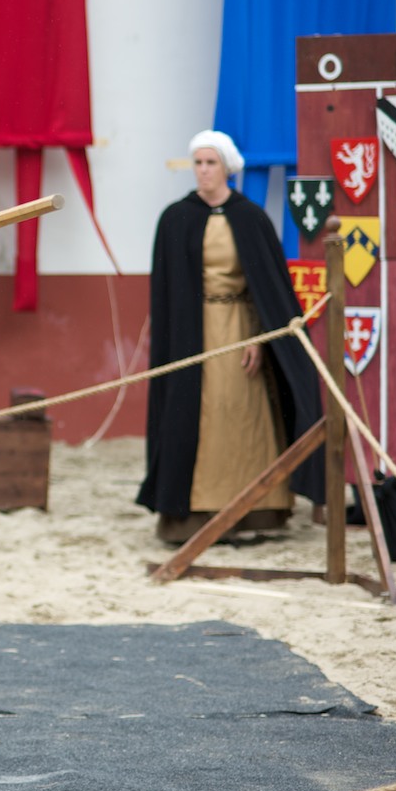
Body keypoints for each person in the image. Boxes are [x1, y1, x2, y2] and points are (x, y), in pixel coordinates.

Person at [137, 130, 325, 543]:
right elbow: (168, 289)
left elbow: (267, 288)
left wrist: (260, 338)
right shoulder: (176, 218)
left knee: (241, 413)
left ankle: (255, 510)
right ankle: (194, 514)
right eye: (198, 163)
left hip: (240, 328)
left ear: (227, 169)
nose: (203, 171)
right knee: (196, 413)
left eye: (211, 163)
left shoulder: (250, 218)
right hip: (193, 330)